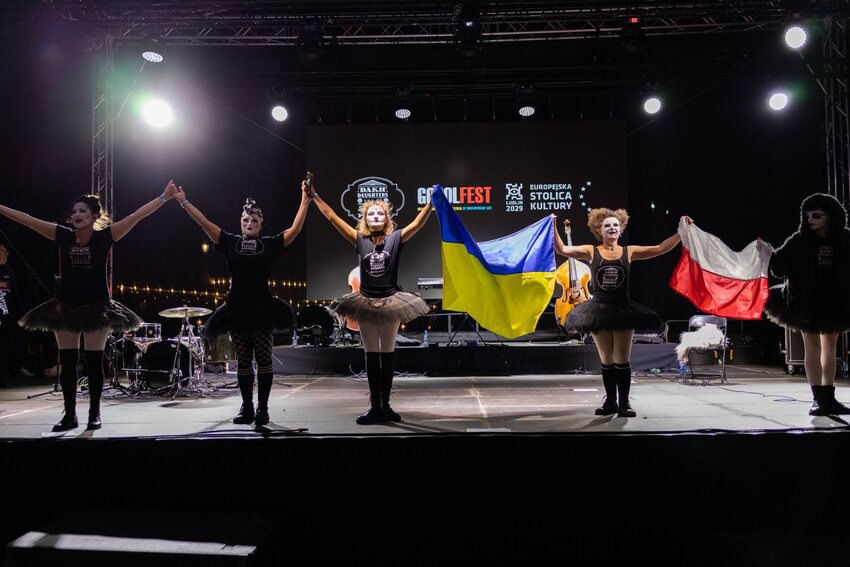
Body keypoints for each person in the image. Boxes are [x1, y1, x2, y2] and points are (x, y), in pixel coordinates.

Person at [0, 184, 178, 431]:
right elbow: (27, 219)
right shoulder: (61, 235)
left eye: (82, 211)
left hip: (97, 308)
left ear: (94, 216)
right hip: (65, 307)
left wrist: (163, 197)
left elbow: (137, 215)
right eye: (74, 211)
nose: (77, 214)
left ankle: (95, 413)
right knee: (69, 362)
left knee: (94, 363)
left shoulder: (105, 237)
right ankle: (69, 415)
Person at [173, 182, 311, 426]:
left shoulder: (269, 245)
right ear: (240, 222)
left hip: (262, 309)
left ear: (261, 225)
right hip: (237, 309)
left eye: (254, 221)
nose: (249, 223)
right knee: (244, 361)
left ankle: (263, 409)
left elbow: (295, 229)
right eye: (246, 220)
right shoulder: (230, 242)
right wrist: (183, 201)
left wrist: (305, 199)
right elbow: (204, 222)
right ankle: (247, 407)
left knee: (264, 359)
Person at [308, 180, 432, 424]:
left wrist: (430, 204)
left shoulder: (396, 238)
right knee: (371, 354)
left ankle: (386, 406)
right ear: (365, 218)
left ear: (387, 218)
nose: (376, 216)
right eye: (371, 213)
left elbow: (417, 224)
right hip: (365, 301)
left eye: (380, 213)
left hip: (391, 301)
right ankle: (375, 407)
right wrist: (314, 196)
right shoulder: (359, 240)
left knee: (387, 354)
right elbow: (332, 217)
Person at [555, 208, 692, 417]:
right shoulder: (591, 251)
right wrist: (552, 226)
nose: (612, 228)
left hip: (622, 309)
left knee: (622, 358)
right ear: (599, 230)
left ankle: (624, 403)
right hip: (598, 310)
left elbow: (661, 248)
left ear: (620, 230)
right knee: (606, 358)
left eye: (615, 225)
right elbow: (562, 249)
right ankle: (610, 402)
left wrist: (681, 232)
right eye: (607, 225)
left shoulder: (629, 251)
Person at [764, 193, 850, 415]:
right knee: (812, 347)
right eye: (808, 215)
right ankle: (818, 399)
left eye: (817, 215)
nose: (810, 219)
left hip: (834, 301)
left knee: (830, 347)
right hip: (805, 301)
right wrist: (767, 252)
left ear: (830, 216)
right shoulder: (799, 240)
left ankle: (828, 399)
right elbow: (778, 268)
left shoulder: (845, 238)